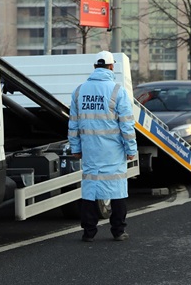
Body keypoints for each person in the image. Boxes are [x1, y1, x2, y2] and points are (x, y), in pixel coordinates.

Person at [68, 51, 138, 242]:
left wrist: (76, 148)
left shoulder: (79, 91)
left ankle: (88, 232)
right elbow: (126, 125)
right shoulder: (117, 91)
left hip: (90, 150)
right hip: (113, 151)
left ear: (94, 67)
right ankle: (118, 231)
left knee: (90, 189)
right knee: (117, 189)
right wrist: (131, 149)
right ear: (111, 67)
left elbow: (73, 124)